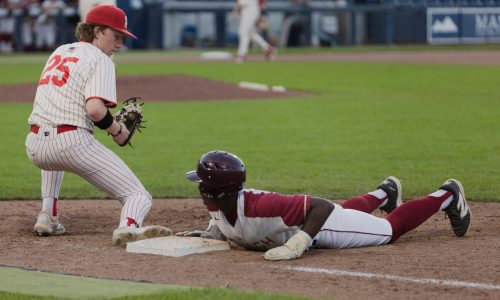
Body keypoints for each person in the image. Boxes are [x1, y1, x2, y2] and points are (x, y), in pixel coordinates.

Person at [25, 4, 171, 247]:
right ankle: (128, 227)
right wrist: (118, 131)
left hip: (34, 144)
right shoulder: (100, 59)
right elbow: (95, 109)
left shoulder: (59, 51)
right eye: (116, 36)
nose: (119, 43)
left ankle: (47, 215)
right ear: (96, 32)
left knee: (52, 144)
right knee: (138, 195)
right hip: (71, 144)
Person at [179, 150, 471, 260]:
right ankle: (385, 192)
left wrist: (298, 243)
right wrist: (212, 234)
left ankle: (447, 195)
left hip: (320, 224)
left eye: (203, 185)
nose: (199, 189)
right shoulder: (218, 203)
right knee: (346, 210)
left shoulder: (263, 205)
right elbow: (222, 220)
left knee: (389, 229)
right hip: (313, 220)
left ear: (220, 191)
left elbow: (321, 207)